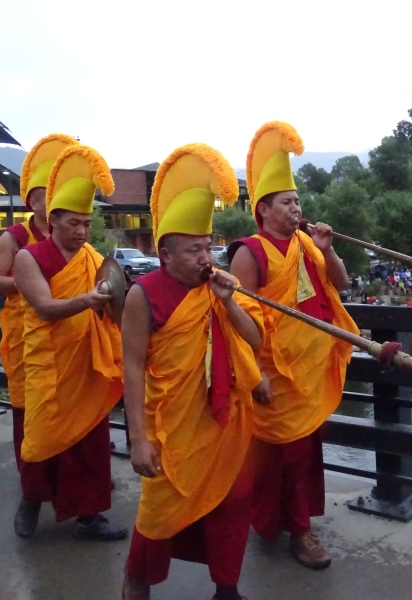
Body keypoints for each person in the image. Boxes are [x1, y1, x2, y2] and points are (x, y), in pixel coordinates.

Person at [122, 144, 264, 600]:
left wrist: (227, 301)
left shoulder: (220, 287)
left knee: (232, 500)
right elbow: (132, 365)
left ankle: (226, 586)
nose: (206, 258)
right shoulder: (144, 295)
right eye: (193, 250)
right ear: (164, 254)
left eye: (208, 247)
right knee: (161, 509)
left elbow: (257, 340)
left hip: (223, 419)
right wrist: (138, 439)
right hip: (173, 424)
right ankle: (136, 582)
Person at [229, 122, 358, 570]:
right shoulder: (250, 252)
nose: (296, 207)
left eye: (298, 200)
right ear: (263, 209)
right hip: (275, 374)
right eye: (287, 202)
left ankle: (295, 523)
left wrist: (328, 249)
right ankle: (290, 529)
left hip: (311, 368)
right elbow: (236, 318)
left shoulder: (306, 242)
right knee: (278, 456)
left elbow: (339, 283)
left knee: (303, 455)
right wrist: (254, 374)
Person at [13, 144, 126, 541]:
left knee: (90, 443)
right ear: (52, 221)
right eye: (73, 223)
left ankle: (89, 518)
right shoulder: (29, 257)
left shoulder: (93, 257)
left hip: (87, 363)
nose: (81, 231)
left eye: (85, 223)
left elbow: (115, 301)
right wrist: (87, 300)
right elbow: (44, 308)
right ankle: (30, 499)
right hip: (49, 364)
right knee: (42, 438)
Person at [0, 135, 78, 518]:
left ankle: (83, 505)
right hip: (30, 338)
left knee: (78, 415)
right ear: (34, 201)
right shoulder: (16, 236)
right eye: (46, 193)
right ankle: (32, 497)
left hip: (73, 338)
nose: (53, 199)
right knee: (33, 418)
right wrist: (36, 284)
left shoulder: (73, 233)